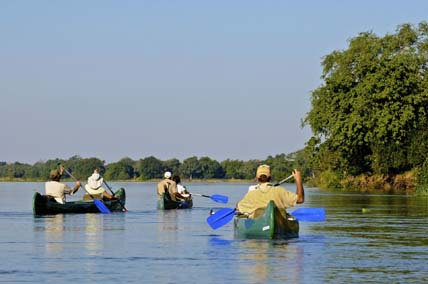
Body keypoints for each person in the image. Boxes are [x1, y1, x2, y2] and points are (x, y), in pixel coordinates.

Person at [237, 165, 304, 218]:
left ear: (257, 178)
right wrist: (298, 179)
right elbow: (300, 199)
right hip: (278, 223)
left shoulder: (251, 194)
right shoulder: (280, 191)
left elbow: (238, 207)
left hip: (259, 223)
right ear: (270, 178)